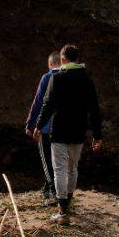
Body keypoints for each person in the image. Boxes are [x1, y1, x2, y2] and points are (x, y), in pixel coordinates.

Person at [34, 44, 102, 223]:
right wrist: (97, 135)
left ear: (63, 59)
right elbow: (94, 110)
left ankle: (63, 212)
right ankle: (68, 203)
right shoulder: (87, 80)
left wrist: (38, 126)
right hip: (78, 131)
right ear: (78, 59)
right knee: (73, 168)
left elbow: (47, 105)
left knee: (60, 171)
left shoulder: (56, 78)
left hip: (59, 131)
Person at [25, 52, 62, 204]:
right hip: (62, 126)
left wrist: (30, 123)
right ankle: (47, 188)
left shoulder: (47, 77)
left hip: (45, 127)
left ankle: (53, 191)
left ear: (49, 64)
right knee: (58, 160)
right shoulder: (69, 77)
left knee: (46, 159)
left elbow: (38, 101)